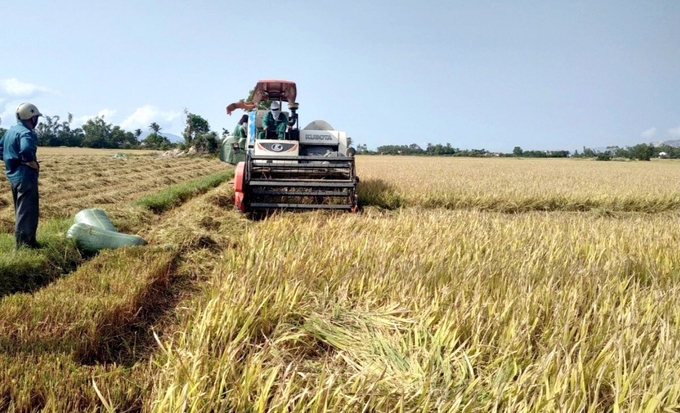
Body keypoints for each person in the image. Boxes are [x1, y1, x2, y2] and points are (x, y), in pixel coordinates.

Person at [0, 103, 43, 249]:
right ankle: (25, 246)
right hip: (26, 178)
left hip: (13, 176)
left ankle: (24, 243)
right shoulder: (26, 133)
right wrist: (30, 162)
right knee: (27, 212)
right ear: (31, 117)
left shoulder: (10, 132)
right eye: (36, 117)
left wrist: (11, 159)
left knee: (20, 210)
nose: (36, 120)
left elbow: (1, 150)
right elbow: (26, 149)